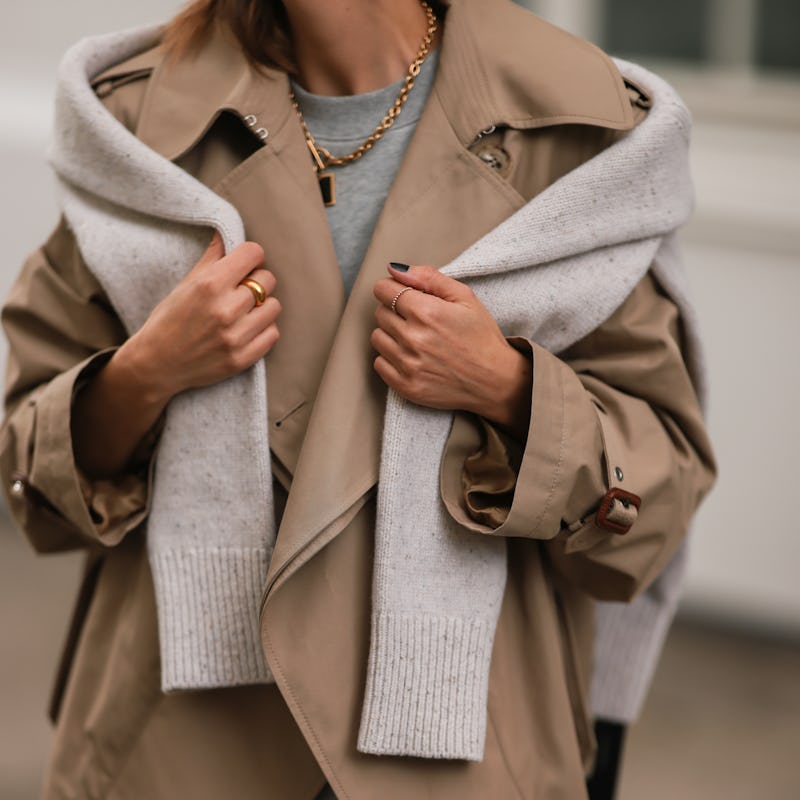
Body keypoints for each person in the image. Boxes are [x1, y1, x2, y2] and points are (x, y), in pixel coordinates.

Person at [0, 0, 715, 798]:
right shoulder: (139, 123)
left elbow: (656, 490)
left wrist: (509, 389)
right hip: (177, 740)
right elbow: (32, 473)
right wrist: (148, 372)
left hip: (469, 741)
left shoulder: (576, 130)